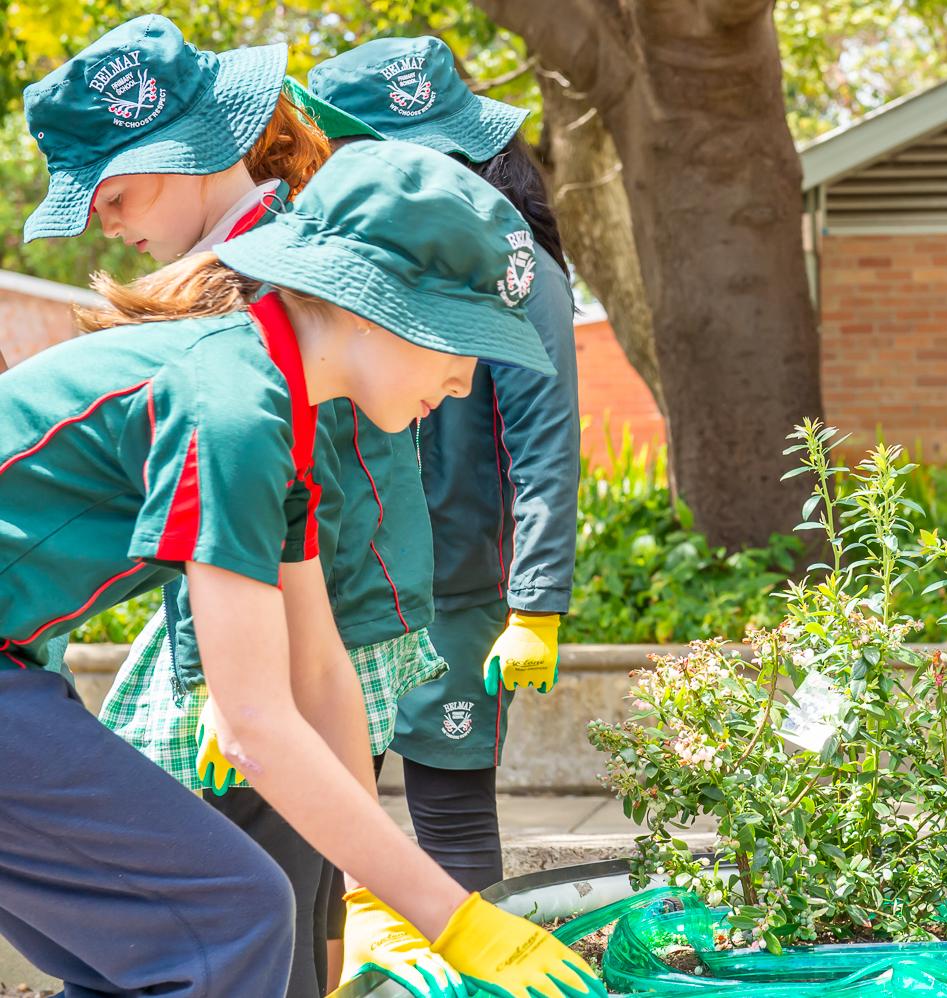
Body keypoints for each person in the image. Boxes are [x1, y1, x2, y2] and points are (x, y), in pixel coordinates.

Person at [0, 127, 601, 995]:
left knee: (150, 953)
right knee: (228, 918)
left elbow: (319, 673)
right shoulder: (233, 408)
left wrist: (371, 895)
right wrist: (454, 917)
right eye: (460, 341)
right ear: (367, 307)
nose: (468, 382)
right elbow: (254, 724)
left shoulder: (280, 410)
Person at [24, 17, 449, 995]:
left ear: (192, 157)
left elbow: (286, 500)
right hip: (269, 633)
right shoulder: (262, 273)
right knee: (246, 930)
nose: (104, 221)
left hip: (290, 629)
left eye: (116, 190)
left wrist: (233, 676)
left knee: (248, 927)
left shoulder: (265, 285)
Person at [309, 37, 580, 893]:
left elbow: (545, 444)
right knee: (314, 822)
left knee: (452, 819)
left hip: (458, 593)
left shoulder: (518, 277)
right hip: (339, 585)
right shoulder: (320, 266)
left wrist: (537, 602)